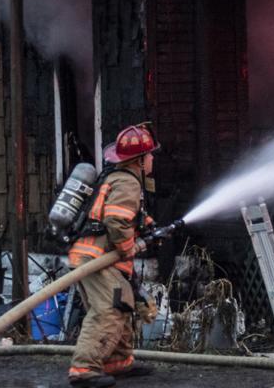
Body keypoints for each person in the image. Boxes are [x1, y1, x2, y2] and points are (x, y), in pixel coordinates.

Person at [67, 124, 159, 387]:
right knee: (107, 310)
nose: (153, 159)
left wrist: (148, 226)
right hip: (98, 257)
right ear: (139, 160)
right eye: (150, 155)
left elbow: (124, 215)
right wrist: (129, 247)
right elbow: (116, 220)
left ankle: (117, 362)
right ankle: (84, 369)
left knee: (122, 305)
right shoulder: (128, 182)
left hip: (94, 254)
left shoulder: (117, 179)